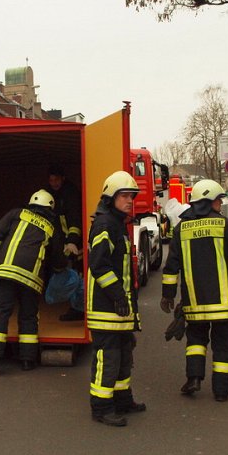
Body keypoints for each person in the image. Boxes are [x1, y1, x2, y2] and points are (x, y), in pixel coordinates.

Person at [161, 180, 228, 401]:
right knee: (224, 344)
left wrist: (168, 294)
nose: (220, 204)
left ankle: (194, 379)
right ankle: (221, 391)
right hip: (225, 302)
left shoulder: (180, 229)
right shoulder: (226, 226)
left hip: (194, 301)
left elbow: (171, 266)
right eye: (218, 200)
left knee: (195, 340)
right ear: (209, 201)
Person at [0, 190, 66, 374]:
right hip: (31, 279)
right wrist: (61, 270)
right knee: (28, 316)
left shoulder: (15, 214)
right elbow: (58, 259)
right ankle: (27, 360)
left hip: (5, 273)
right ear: (51, 207)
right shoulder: (52, 227)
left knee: (0, 313)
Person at [86, 171, 146, 427]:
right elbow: (98, 265)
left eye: (132, 196)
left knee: (123, 355)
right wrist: (118, 295)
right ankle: (101, 407)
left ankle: (122, 400)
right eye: (124, 196)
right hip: (106, 308)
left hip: (118, 308)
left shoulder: (117, 224)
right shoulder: (104, 224)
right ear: (110, 197)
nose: (130, 200)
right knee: (108, 358)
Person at [46, 164, 85, 321]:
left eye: (56, 179)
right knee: (70, 272)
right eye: (51, 180)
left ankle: (79, 309)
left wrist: (73, 241)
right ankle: (76, 307)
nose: (53, 183)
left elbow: (75, 219)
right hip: (64, 241)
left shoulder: (70, 193)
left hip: (75, 241)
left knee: (78, 273)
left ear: (63, 178)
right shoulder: (51, 193)